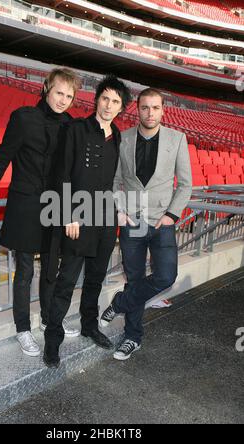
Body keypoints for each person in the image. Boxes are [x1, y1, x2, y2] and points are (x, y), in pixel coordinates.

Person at [0, 68, 81, 357]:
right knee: (25, 271)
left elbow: (72, 173)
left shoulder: (70, 125)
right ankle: (23, 328)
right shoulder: (24, 117)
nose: (63, 100)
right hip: (25, 205)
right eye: (58, 93)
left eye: (69, 95)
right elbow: (2, 157)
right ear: (46, 89)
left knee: (51, 270)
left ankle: (50, 319)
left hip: (54, 207)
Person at [43, 75, 132, 368]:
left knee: (95, 278)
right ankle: (52, 341)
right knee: (66, 281)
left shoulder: (117, 136)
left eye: (115, 102)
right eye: (105, 98)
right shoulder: (76, 129)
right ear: (96, 99)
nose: (108, 105)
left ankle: (89, 326)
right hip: (78, 218)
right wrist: (68, 213)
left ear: (121, 108)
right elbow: (62, 173)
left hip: (105, 219)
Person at [100, 88, 192, 360]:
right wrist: (119, 210)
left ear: (163, 110)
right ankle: (132, 337)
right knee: (135, 279)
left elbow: (185, 184)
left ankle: (120, 303)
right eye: (144, 108)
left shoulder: (177, 139)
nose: (150, 113)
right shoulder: (124, 139)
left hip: (162, 221)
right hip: (133, 221)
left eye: (155, 107)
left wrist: (172, 215)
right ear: (137, 110)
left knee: (165, 276)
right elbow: (115, 181)